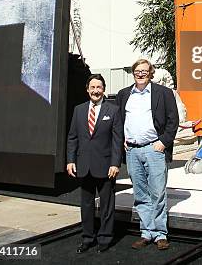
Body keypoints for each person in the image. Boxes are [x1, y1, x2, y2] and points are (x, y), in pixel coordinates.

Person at [116, 59, 179, 251]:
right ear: (133, 73)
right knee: (141, 194)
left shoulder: (164, 93)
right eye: (137, 71)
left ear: (151, 73)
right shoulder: (124, 94)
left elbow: (173, 120)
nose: (141, 74)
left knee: (158, 193)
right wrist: (122, 141)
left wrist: (163, 143)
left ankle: (160, 234)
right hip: (132, 151)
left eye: (144, 71)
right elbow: (119, 120)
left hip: (154, 149)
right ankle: (146, 232)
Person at [67, 74, 123, 254]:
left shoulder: (113, 110)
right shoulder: (79, 110)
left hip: (106, 166)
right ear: (87, 89)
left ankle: (105, 239)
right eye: (92, 87)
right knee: (86, 205)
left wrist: (115, 163)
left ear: (104, 89)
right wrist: (70, 160)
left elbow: (117, 140)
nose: (95, 91)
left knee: (107, 205)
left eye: (99, 87)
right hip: (84, 166)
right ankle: (87, 238)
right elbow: (72, 138)